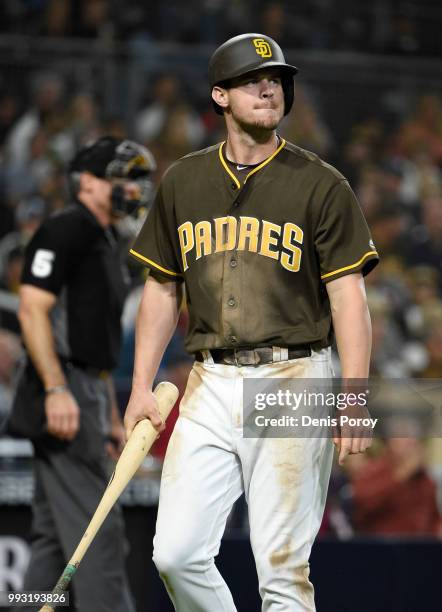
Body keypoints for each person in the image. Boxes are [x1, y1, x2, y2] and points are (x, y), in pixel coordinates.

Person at [124, 33, 379, 611]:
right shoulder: (183, 182)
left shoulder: (321, 183)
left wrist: (354, 395)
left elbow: (349, 299)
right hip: (209, 382)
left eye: (278, 80)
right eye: (252, 79)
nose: (269, 87)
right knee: (176, 554)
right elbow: (162, 288)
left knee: (283, 573)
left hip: (295, 376)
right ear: (220, 96)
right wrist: (141, 385)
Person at [9, 136, 156, 612]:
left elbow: (97, 344)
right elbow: (32, 309)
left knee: (53, 540)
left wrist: (110, 414)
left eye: (138, 180)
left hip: (85, 390)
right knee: (100, 532)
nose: (133, 189)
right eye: (124, 178)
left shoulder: (106, 239)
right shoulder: (66, 228)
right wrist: (56, 389)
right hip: (62, 392)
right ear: (87, 182)